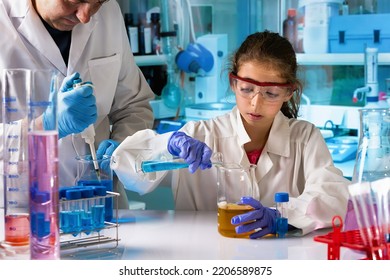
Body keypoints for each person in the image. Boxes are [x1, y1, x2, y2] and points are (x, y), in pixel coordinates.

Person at [111, 30, 350, 238]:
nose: (255, 104)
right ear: (233, 83)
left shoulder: (305, 138)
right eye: (247, 89)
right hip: (202, 258)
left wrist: (283, 215)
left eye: (271, 93)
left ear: (289, 92)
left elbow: (333, 196)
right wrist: (167, 145)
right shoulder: (199, 135)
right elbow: (126, 170)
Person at [0, 0, 155, 208]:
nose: (85, 16)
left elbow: (135, 105)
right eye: (74, 0)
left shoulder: (109, 13)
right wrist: (45, 126)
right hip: (23, 217)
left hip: (102, 211)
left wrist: (123, 145)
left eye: (97, 3)